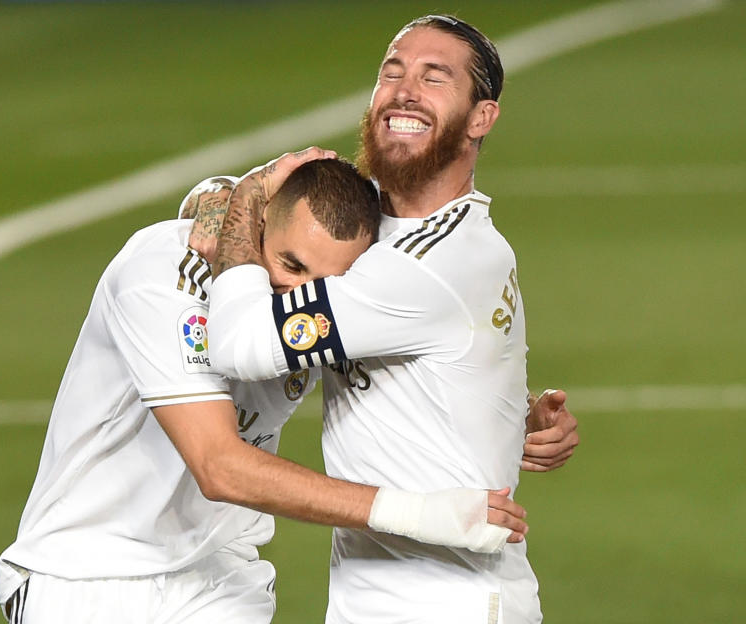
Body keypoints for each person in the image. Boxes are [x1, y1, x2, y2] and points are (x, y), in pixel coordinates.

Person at [0, 158, 531, 624]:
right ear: (255, 226)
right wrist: (422, 515)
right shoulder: (162, 278)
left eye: (319, 283)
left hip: (221, 577)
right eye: (289, 264)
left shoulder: (305, 314)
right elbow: (220, 467)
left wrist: (514, 417)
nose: (295, 294)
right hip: (87, 575)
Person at [205, 14, 576, 623]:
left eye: (435, 78)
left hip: (446, 603)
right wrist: (515, 413)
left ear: (481, 118)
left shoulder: (430, 264)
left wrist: (246, 203)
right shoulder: (374, 228)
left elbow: (241, 344)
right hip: (381, 594)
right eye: (392, 72)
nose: (405, 90)